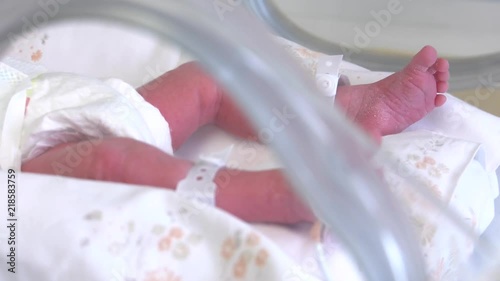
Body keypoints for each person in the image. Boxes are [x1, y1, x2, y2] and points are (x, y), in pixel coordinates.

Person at [20, 45, 449, 224]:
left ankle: (345, 111)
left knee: (207, 80)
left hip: (54, 101)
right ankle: (268, 194)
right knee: (109, 162)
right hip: (23, 167)